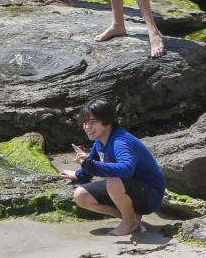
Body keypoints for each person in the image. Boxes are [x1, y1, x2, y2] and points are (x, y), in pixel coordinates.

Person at [61, 98, 166, 236]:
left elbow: (126, 169)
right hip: (126, 188)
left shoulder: (120, 141)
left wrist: (91, 164)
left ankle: (130, 222)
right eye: (85, 123)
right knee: (81, 196)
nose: (87, 127)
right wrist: (78, 174)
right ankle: (130, 218)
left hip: (150, 195)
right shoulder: (100, 140)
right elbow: (91, 165)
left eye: (93, 122)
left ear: (107, 121)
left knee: (114, 182)